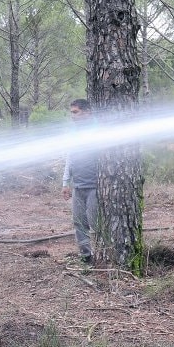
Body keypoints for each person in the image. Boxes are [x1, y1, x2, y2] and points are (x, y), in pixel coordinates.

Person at [62, 98, 98, 264]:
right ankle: (86, 257)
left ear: (88, 112)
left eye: (75, 112)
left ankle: (101, 255)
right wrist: (65, 182)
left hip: (95, 186)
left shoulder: (99, 129)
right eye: (71, 112)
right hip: (78, 186)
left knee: (95, 223)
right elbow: (69, 157)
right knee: (79, 223)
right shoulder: (73, 133)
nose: (72, 116)